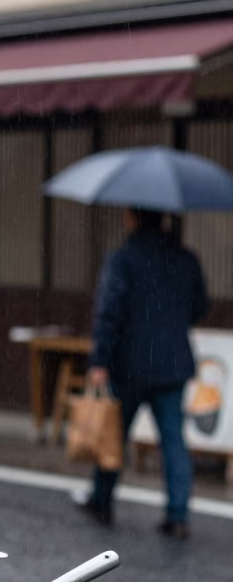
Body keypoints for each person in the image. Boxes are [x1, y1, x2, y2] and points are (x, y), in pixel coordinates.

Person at [82, 207, 209, 538]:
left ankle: (102, 499)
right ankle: (178, 514)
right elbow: (200, 305)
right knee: (173, 441)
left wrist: (99, 361)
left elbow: (108, 313)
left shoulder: (123, 259)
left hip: (130, 362)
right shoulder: (185, 258)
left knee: (115, 434)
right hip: (172, 363)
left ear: (134, 218)